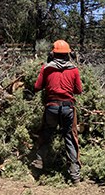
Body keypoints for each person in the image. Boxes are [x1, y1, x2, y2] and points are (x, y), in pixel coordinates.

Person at [32, 40, 83, 184]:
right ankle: (75, 176)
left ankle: (39, 162)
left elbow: (37, 87)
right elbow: (78, 90)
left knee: (46, 133)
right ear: (68, 54)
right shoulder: (74, 69)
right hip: (68, 108)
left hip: (51, 108)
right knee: (70, 138)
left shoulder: (46, 69)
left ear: (52, 54)